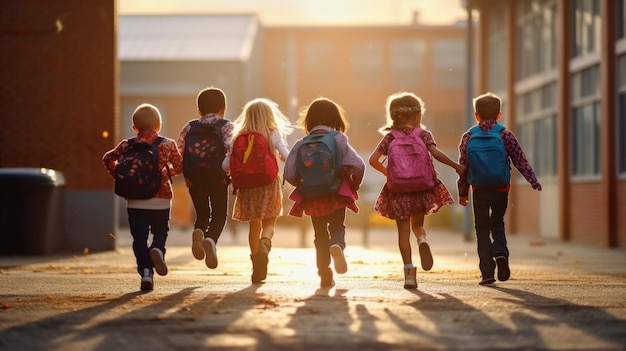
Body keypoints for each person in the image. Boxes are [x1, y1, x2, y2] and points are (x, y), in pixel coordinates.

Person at [369, 92, 464, 290]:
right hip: (420, 188)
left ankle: (409, 274)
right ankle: (422, 240)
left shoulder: (389, 137)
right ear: (418, 114)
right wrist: (456, 166)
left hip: (398, 191)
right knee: (417, 225)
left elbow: (372, 160)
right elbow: (436, 154)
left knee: (402, 234)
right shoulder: (423, 135)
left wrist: (391, 173)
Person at [457, 92, 541, 285]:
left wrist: (463, 193)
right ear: (499, 115)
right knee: (497, 224)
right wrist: (532, 180)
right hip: (500, 189)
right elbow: (520, 160)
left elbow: (463, 167)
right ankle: (501, 253)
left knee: (482, 230)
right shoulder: (505, 134)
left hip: (478, 190)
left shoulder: (468, 136)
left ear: (476, 115)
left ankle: (487, 273)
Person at [284, 97, 365, 287]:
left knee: (319, 233)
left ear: (309, 120)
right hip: (336, 192)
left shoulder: (301, 143)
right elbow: (358, 165)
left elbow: (289, 173)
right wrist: (354, 183)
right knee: (337, 227)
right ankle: (337, 245)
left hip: (312, 196)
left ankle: (324, 274)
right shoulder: (338, 139)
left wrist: (305, 183)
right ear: (335, 118)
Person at [102, 103, 183, 291]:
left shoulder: (127, 145)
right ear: (158, 125)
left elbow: (107, 159)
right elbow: (179, 166)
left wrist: (123, 176)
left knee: (139, 238)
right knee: (161, 229)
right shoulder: (167, 144)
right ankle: (157, 249)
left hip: (135, 199)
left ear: (134, 127)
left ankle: (146, 273)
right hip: (161, 198)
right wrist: (164, 174)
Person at [223, 98, 292, 283]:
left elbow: (225, 166)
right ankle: (265, 244)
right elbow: (287, 156)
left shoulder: (238, 137)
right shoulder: (272, 133)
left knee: (254, 226)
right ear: (269, 116)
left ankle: (256, 267)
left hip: (247, 187)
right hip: (269, 183)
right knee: (269, 223)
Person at [177, 87, 234, 270]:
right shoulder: (226, 126)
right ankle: (210, 239)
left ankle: (199, 231)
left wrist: (180, 173)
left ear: (199, 110)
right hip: (218, 178)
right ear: (223, 108)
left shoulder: (189, 127)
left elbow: (179, 153)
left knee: (202, 214)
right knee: (219, 214)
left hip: (194, 179)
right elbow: (231, 152)